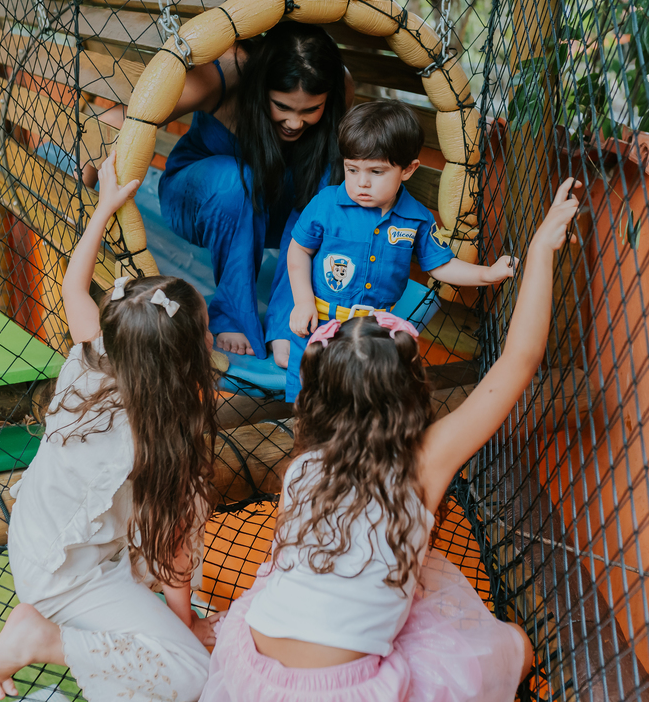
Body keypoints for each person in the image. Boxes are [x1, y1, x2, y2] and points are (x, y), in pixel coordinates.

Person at [199, 177, 582, 702]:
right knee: (515, 647)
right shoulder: (425, 461)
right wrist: (540, 249)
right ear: (407, 395)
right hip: (342, 689)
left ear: (318, 399)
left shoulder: (305, 463)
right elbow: (520, 359)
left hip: (256, 664)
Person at [0, 170, 219, 702]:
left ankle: (53, 624)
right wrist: (188, 624)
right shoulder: (162, 437)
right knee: (194, 675)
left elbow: (73, 286)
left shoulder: (94, 354)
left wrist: (104, 207)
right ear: (183, 361)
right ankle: (44, 636)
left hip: (38, 539)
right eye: (202, 330)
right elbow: (174, 549)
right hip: (68, 574)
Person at [89, 21, 354, 363]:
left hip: (277, 206)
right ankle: (232, 313)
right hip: (204, 200)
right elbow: (121, 119)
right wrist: (85, 199)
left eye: (310, 110)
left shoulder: (339, 85)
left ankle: (288, 326)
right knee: (236, 178)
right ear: (261, 87)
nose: (294, 123)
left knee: (329, 180)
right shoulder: (226, 74)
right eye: (282, 107)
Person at [281, 100, 516, 402]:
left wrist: (488, 273)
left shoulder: (416, 218)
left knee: (366, 403)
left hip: (376, 340)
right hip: (320, 326)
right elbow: (299, 250)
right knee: (308, 399)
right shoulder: (326, 204)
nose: (361, 183)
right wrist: (302, 303)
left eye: (376, 172)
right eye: (351, 169)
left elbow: (439, 265)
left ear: (408, 169)